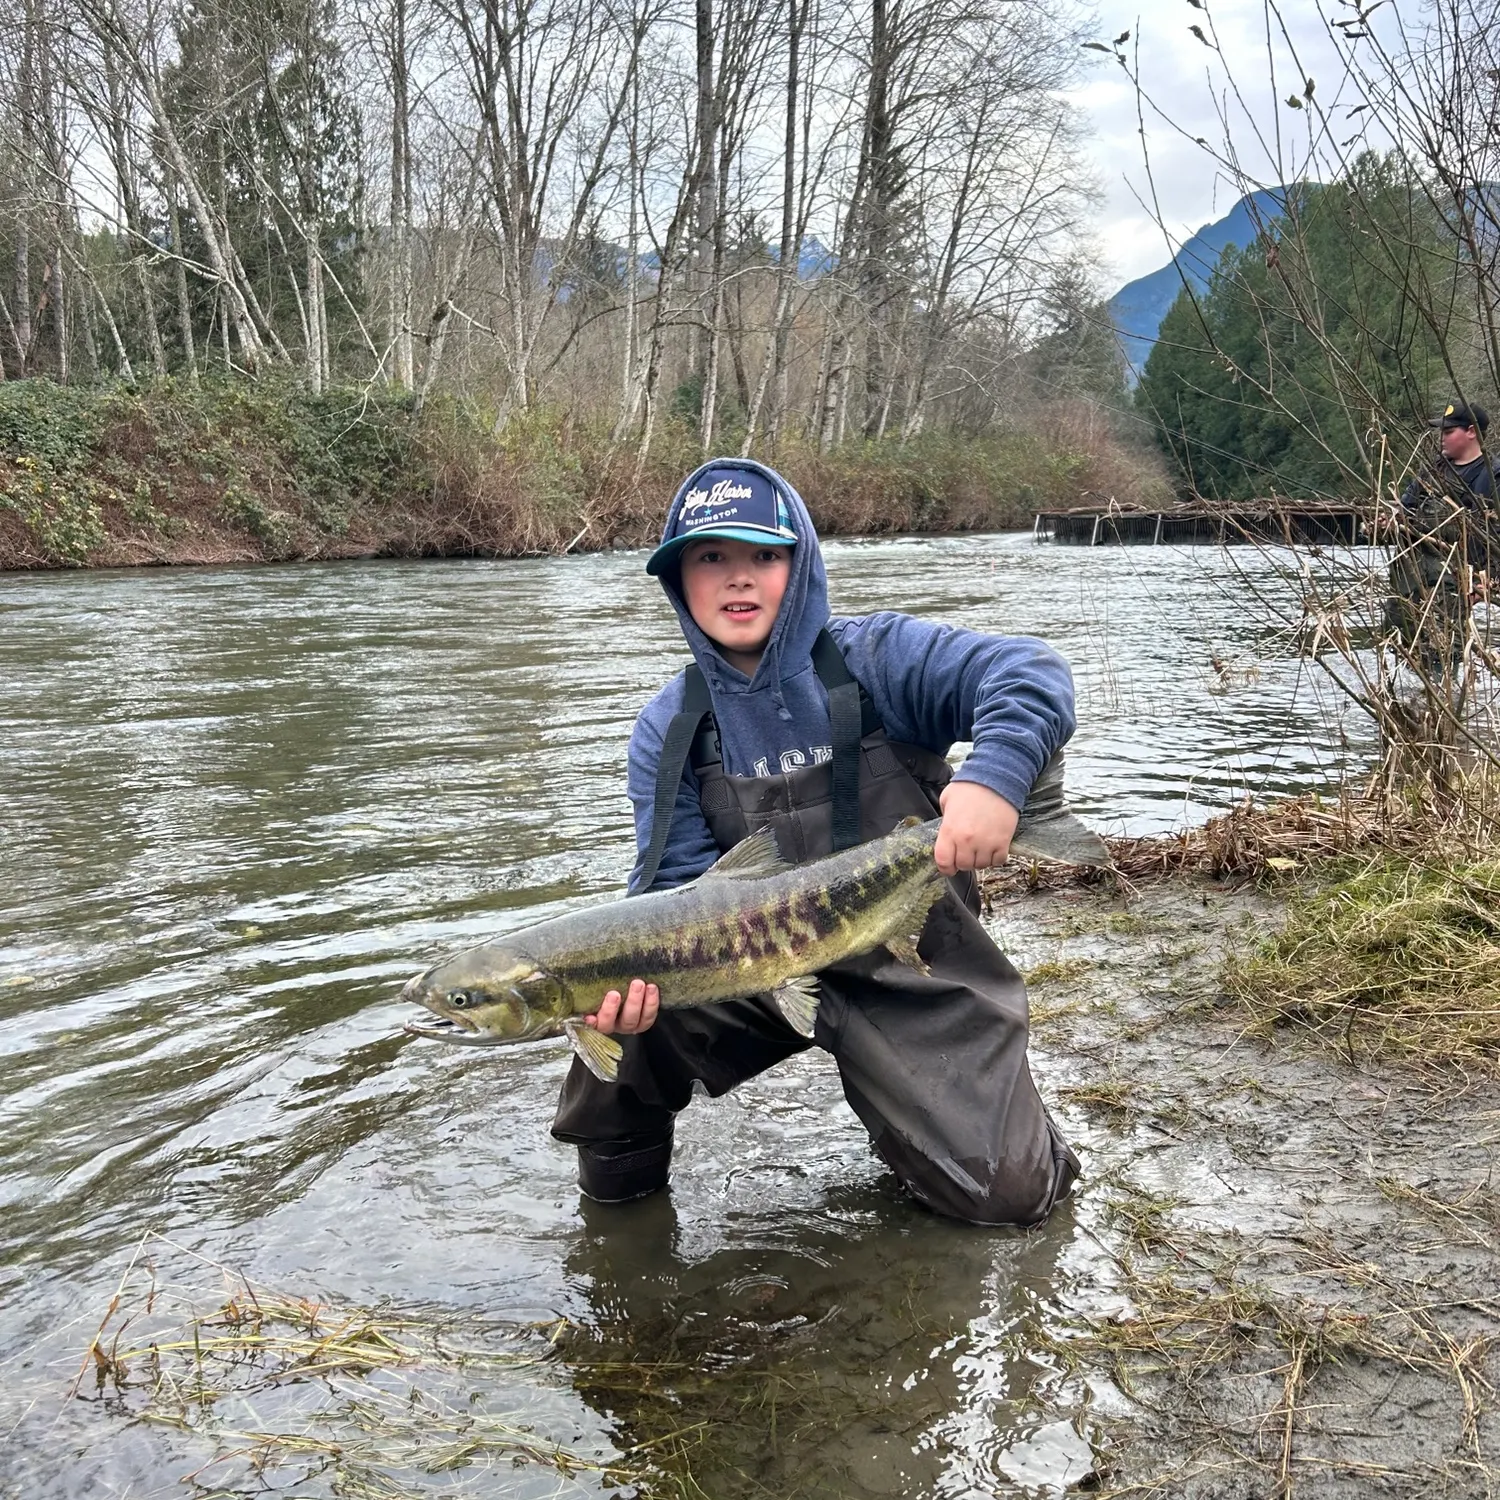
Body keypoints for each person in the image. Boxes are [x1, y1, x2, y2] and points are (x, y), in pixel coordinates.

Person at [550, 458, 1080, 1226]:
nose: (739, 580)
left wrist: (995, 781)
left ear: (799, 563)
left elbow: (1029, 672)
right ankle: (621, 1217)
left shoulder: (879, 659)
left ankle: (982, 1122)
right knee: (614, 1013)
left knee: (1008, 1201)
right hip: (742, 972)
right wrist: (631, 1005)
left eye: (763, 556)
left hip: (910, 966)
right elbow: (671, 888)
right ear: (679, 580)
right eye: (711, 559)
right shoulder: (668, 730)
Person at [1387, 401, 1500, 659]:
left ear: (1471, 431)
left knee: (1444, 652)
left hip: (1456, 582)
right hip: (1411, 579)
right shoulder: (1432, 471)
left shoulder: (1493, 477)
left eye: (1449, 432)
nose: (1442, 438)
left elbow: (1496, 536)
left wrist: (1487, 582)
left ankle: (1442, 696)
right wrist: (1388, 521)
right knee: (1400, 646)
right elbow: (1405, 510)